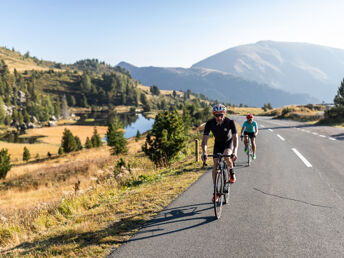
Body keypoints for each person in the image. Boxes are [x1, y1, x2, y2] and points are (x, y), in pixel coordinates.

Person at [201, 104, 238, 202]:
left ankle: (231, 172)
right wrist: (204, 152)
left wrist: (234, 151)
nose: (219, 117)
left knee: (227, 156)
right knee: (215, 165)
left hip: (228, 143)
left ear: (224, 114)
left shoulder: (230, 122)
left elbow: (235, 138)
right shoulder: (209, 123)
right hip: (218, 144)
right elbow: (204, 140)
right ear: (214, 115)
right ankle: (216, 191)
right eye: (217, 115)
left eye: (221, 115)